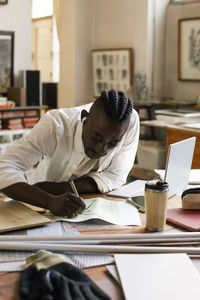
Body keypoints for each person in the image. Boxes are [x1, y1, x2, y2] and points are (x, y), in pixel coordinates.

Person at [0, 90, 139, 217]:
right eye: (96, 138)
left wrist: (63, 188)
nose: (101, 150)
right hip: (37, 202)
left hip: (84, 203)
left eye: (113, 144)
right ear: (84, 118)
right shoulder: (54, 126)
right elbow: (4, 167)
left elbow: (116, 175)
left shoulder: (129, 123)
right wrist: (49, 201)